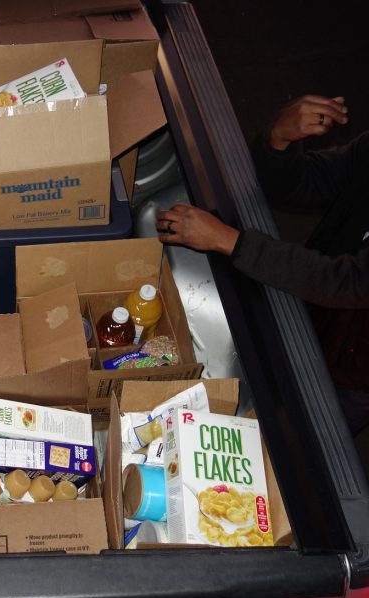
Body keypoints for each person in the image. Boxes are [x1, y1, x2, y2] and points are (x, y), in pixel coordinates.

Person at [155, 95, 369, 434]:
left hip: (355, 373)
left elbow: (347, 282)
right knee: (263, 395)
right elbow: (307, 182)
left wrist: (229, 241)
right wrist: (279, 140)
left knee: (303, 441)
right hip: (310, 310)